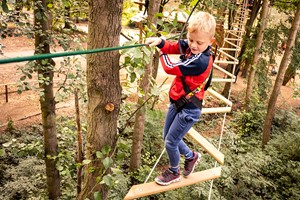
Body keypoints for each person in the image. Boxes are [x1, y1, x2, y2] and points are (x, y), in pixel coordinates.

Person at [145, 11, 216, 186]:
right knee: (167, 137)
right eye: (191, 40)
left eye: (199, 43)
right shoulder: (192, 45)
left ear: (210, 42)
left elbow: (170, 67)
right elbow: (173, 46)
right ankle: (191, 156)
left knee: (171, 142)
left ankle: (174, 171)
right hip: (178, 102)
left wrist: (160, 53)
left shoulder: (200, 60)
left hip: (189, 108)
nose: (193, 45)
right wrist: (160, 42)